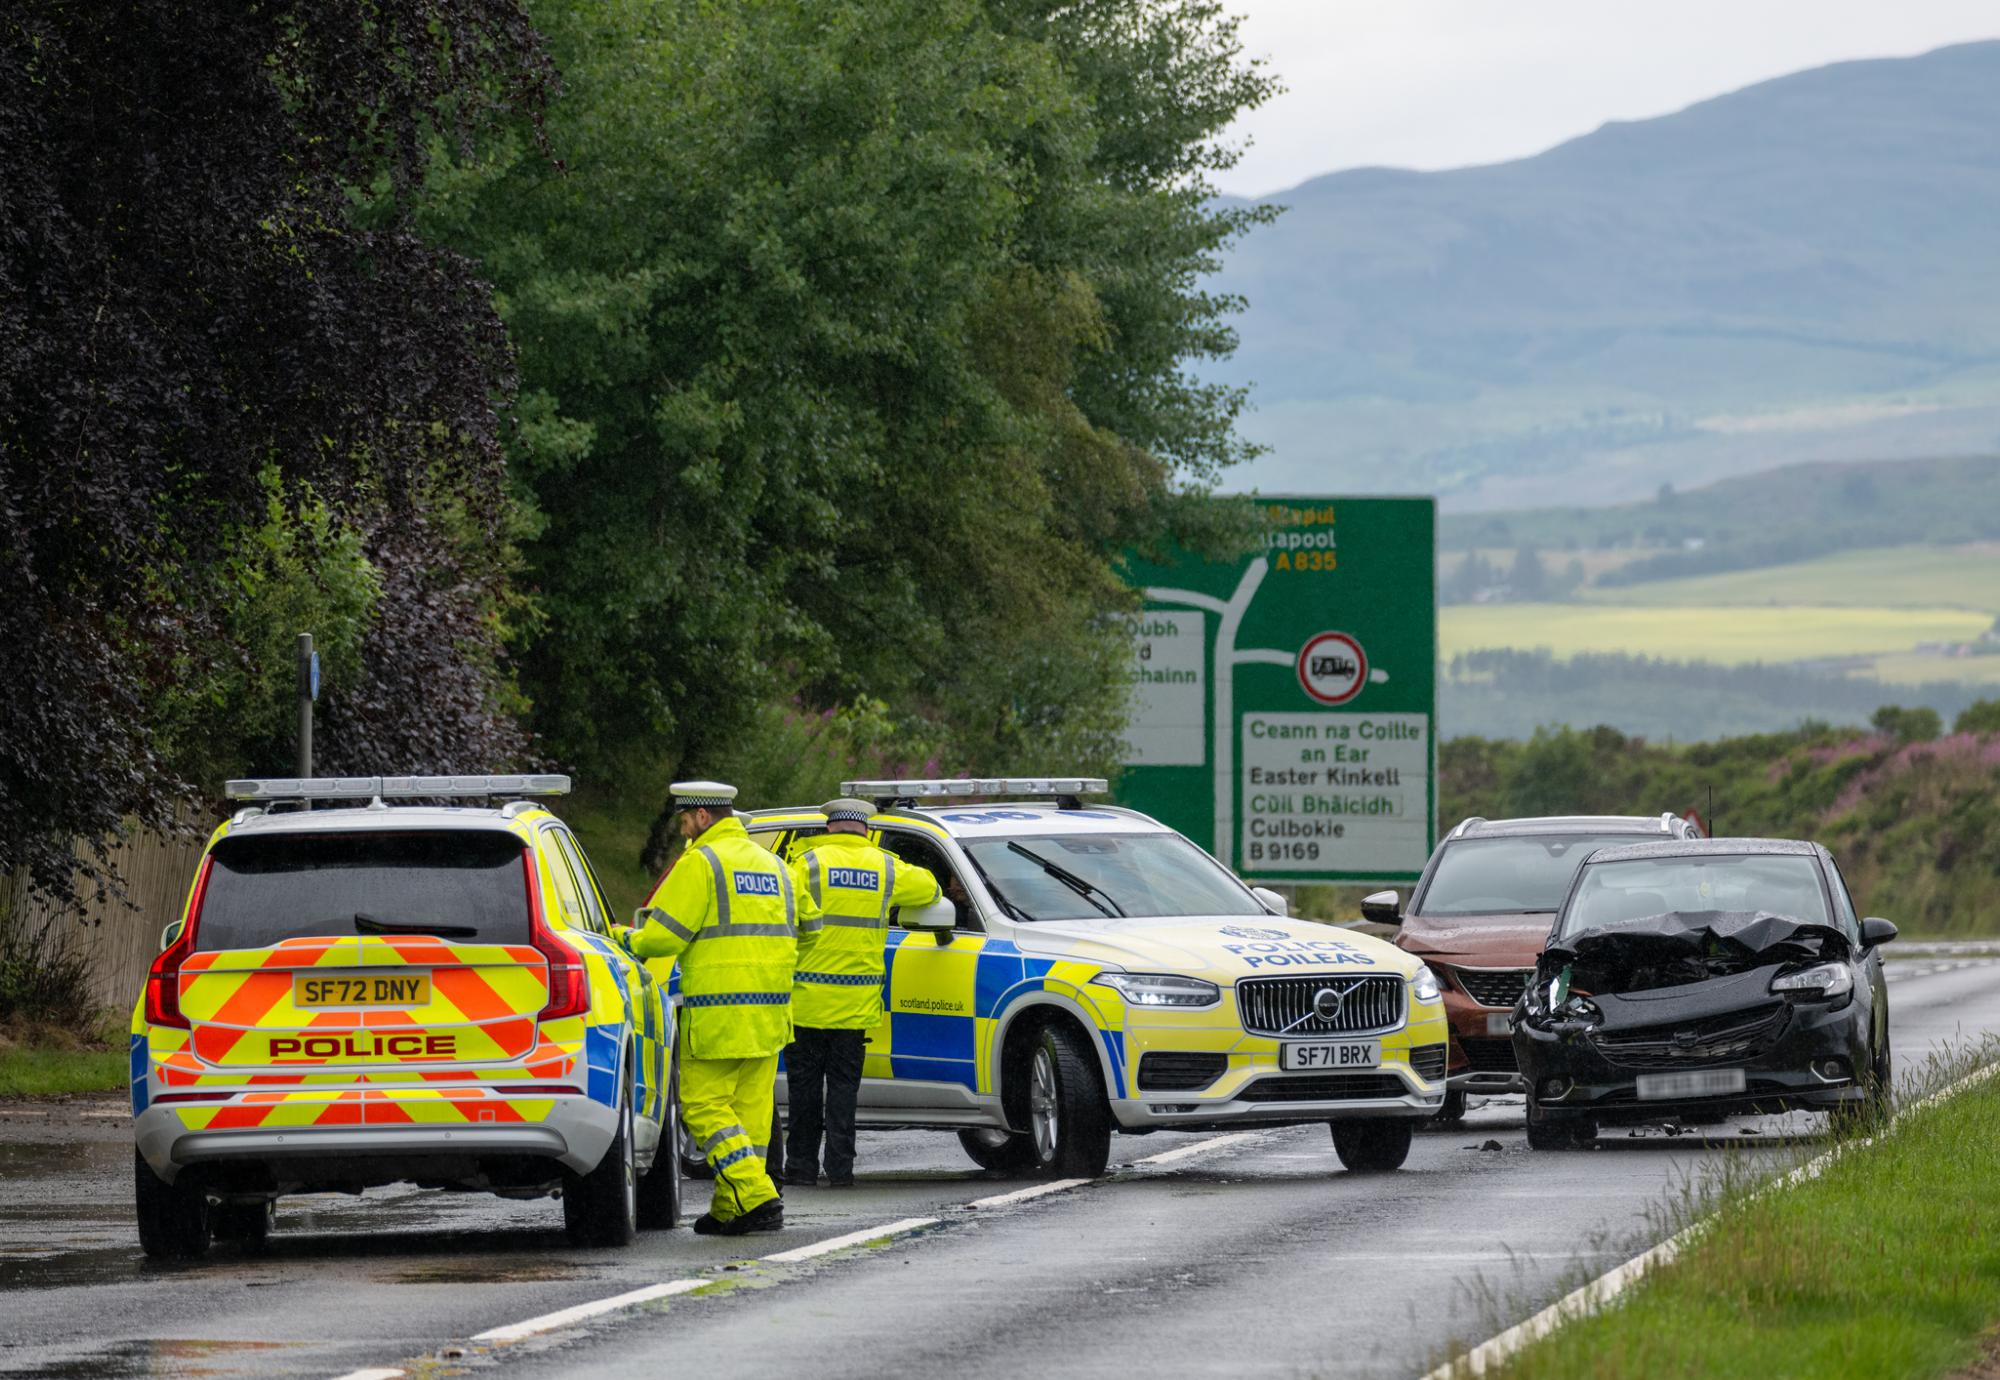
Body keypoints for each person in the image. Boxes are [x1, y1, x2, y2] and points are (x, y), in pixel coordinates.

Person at [618, 780, 803, 1235]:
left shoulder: (701, 863)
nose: (684, 831)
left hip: (719, 1012)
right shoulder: (776, 866)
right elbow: (811, 928)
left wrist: (627, 939)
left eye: (685, 821)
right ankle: (731, 1206)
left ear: (702, 817)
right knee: (750, 1115)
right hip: (770, 1013)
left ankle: (756, 1196)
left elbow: (664, 936)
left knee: (702, 1107)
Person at [781, 797, 940, 1187]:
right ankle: (841, 1170)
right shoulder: (886, 867)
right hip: (855, 1006)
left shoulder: (808, 864)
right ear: (866, 830)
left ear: (830, 827)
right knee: (843, 1093)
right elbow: (930, 889)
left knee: (803, 1092)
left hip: (805, 1003)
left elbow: (781, 903)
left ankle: (800, 1168)